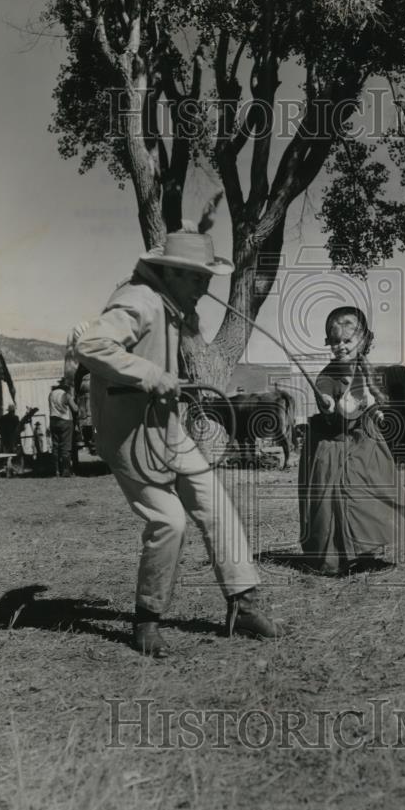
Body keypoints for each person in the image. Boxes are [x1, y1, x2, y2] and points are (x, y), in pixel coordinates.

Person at [70, 229, 282, 657]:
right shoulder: (139, 300)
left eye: (208, 278)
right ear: (170, 272)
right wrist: (150, 374)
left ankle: (243, 604)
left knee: (216, 505)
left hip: (169, 429)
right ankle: (147, 619)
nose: (206, 288)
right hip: (130, 436)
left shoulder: (170, 307)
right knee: (169, 520)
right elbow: (90, 344)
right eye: (197, 278)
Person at [298, 306, 405, 575]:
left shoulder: (366, 371)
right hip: (333, 444)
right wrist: (327, 402)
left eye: (347, 341)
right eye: (335, 341)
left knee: (368, 495)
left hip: (364, 443)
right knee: (334, 502)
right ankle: (333, 559)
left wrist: (376, 410)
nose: (340, 347)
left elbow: (371, 400)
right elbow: (331, 407)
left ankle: (363, 549)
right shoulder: (327, 376)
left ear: (362, 341)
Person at [48, 377, 78, 477]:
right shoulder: (66, 395)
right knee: (66, 446)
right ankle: (66, 471)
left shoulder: (51, 394)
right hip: (65, 421)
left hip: (53, 420)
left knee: (55, 446)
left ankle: (56, 470)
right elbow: (75, 409)